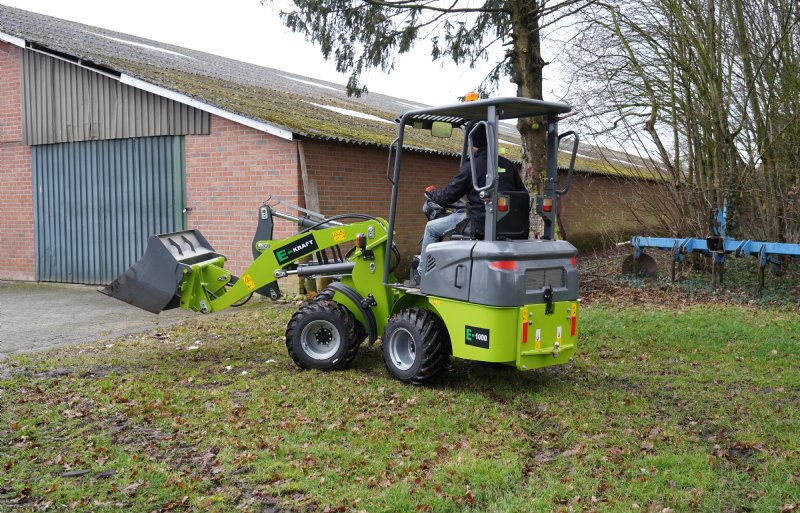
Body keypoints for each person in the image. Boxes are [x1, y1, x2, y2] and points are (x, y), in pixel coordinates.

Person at [421, 126, 527, 254]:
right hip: (510, 226)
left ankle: (423, 266)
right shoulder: (508, 165)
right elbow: (523, 195)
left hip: (480, 224)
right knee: (461, 214)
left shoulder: (471, 167)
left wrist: (432, 193)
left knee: (431, 228)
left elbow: (447, 196)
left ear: (473, 143)